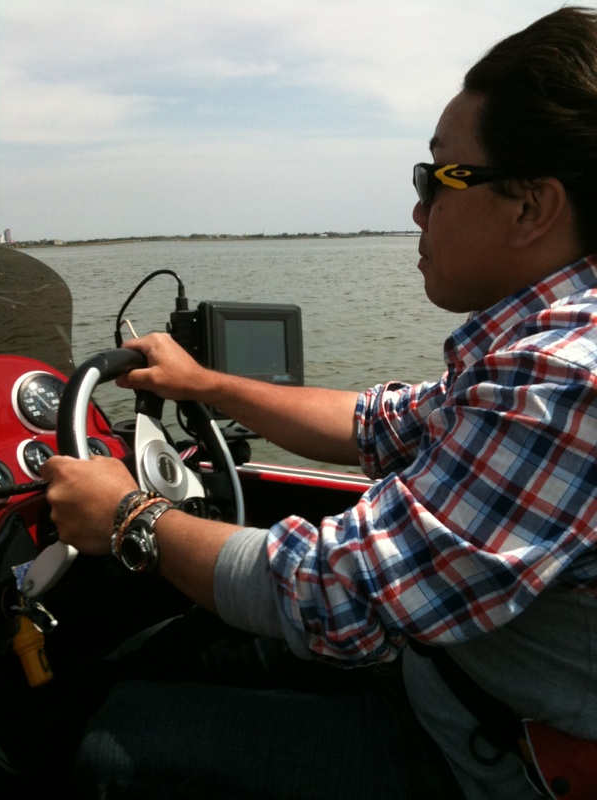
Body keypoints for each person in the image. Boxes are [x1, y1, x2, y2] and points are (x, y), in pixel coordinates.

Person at [41, 7, 597, 799]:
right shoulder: (536, 349)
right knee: (173, 648)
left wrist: (132, 518)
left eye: (438, 178)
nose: (417, 209)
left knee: (112, 745)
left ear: (531, 206)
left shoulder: (565, 382)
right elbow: (378, 424)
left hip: (479, 758)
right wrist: (203, 383)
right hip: (444, 671)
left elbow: (334, 593)